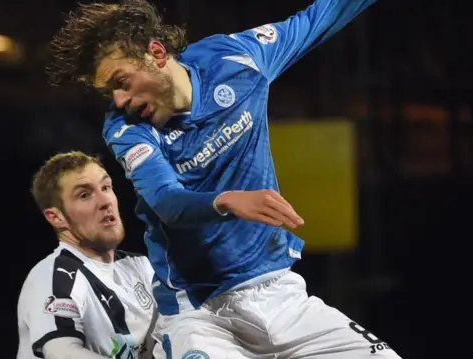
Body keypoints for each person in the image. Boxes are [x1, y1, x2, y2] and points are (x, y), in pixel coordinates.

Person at [46, 1, 401, 358]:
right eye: (110, 93)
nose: (121, 100)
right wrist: (227, 200)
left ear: (156, 53)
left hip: (282, 297)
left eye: (121, 82)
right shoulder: (127, 129)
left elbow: (318, 18)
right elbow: (168, 201)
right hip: (199, 315)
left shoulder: (236, 59)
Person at [16, 151, 158, 359]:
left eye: (106, 187)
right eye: (85, 195)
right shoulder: (51, 278)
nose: (104, 201)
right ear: (56, 217)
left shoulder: (140, 267)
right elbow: (62, 352)